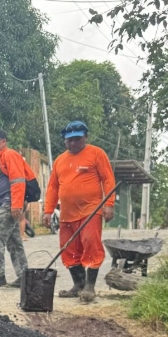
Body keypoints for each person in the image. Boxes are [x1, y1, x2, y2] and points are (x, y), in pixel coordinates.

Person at [43, 121, 116, 303]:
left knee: (91, 243)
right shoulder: (60, 160)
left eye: (77, 139)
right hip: (67, 213)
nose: (73, 143)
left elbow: (108, 180)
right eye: (69, 141)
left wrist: (109, 203)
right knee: (68, 248)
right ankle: (78, 284)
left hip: (90, 210)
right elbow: (53, 187)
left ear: (86, 137)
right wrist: (48, 210)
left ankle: (90, 287)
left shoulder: (96, 154)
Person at [0, 130, 32, 289]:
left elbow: (18, 180)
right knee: (14, 241)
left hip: (8, 203)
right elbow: (5, 182)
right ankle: (24, 275)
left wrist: (16, 204)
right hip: (5, 203)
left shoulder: (10, 155)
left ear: (3, 141)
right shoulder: (0, 160)